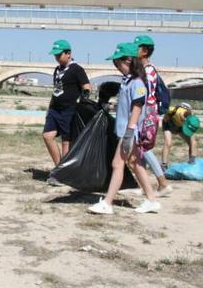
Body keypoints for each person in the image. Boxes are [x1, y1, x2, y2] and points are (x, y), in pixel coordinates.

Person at [89, 42, 160, 215]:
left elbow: (137, 107)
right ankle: (151, 200)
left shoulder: (137, 82)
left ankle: (107, 202)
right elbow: (127, 106)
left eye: (117, 62)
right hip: (126, 130)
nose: (116, 66)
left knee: (117, 164)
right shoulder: (127, 81)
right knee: (136, 164)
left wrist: (129, 132)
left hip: (130, 132)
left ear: (128, 61)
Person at [43, 39, 91, 183]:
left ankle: (63, 174)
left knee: (66, 141)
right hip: (54, 110)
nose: (57, 58)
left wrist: (83, 100)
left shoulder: (76, 69)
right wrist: (49, 108)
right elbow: (56, 90)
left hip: (69, 110)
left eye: (59, 55)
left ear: (68, 53)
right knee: (47, 136)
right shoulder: (57, 70)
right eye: (55, 55)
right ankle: (59, 168)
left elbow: (87, 86)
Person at [133, 35, 173, 197]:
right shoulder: (143, 69)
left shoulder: (148, 71)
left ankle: (163, 183)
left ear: (145, 51)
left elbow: (145, 94)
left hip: (147, 112)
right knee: (139, 149)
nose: (133, 50)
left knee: (143, 148)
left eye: (136, 47)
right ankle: (145, 185)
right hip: (146, 111)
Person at [161, 103, 200, 167]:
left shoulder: (192, 120)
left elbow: (193, 142)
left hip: (180, 126)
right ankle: (164, 165)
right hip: (169, 124)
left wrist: (193, 158)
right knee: (168, 143)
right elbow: (163, 110)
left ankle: (191, 163)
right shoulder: (174, 111)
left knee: (192, 142)